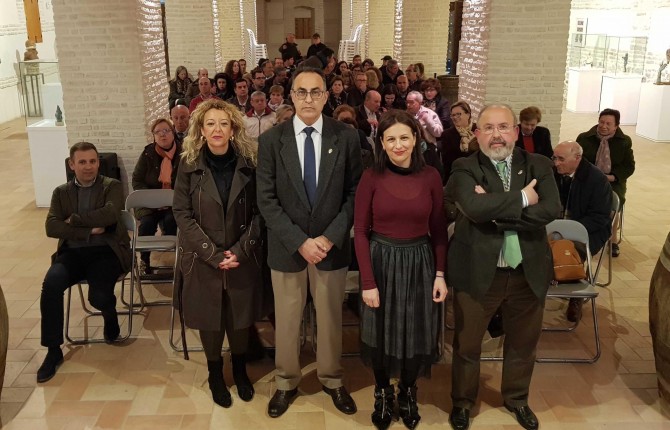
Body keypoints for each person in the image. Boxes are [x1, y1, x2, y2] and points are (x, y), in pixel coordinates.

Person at [445, 104, 561, 430]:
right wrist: (524, 198)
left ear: (515, 131)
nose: (497, 135)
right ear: (478, 133)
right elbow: (471, 206)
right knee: (467, 345)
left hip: (528, 272)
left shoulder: (538, 164)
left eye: (503, 127)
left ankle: (517, 399)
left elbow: (552, 208)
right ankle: (463, 403)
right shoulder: (464, 167)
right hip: (479, 272)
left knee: (524, 344)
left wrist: (492, 209)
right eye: (489, 128)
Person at [257, 67, 363, 418]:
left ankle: (332, 379)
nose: (308, 98)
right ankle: (286, 382)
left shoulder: (345, 136)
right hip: (288, 248)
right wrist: (300, 241)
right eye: (301, 92)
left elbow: (354, 194)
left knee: (331, 318)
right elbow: (267, 200)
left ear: (326, 96)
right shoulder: (272, 140)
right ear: (291, 96)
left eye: (315, 92)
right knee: (286, 320)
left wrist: (329, 238)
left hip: (330, 248)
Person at [354, 110, 447, 430]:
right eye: (391, 139)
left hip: (420, 262)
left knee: (416, 330)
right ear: (381, 142)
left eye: (404, 138)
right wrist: (368, 281)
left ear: (416, 139)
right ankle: (382, 391)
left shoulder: (432, 176)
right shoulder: (371, 177)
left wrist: (440, 274)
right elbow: (361, 231)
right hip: (380, 261)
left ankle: (408, 390)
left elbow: (438, 230)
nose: (398, 145)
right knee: (379, 331)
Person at [172, 98, 262, 408]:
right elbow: (181, 212)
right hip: (202, 257)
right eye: (210, 123)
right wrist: (213, 254)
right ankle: (214, 373)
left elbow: (260, 213)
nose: (217, 129)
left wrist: (239, 250)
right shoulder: (189, 163)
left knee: (238, 316)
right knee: (210, 317)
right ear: (201, 129)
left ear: (234, 127)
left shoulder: (249, 162)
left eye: (223, 123)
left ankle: (239, 369)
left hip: (241, 255)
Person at [38, 142, 131, 383]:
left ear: (98, 163)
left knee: (98, 298)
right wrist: (89, 231)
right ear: (72, 165)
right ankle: (53, 350)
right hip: (73, 253)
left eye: (92, 161)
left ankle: (110, 316)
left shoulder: (112, 186)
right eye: (82, 162)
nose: (88, 167)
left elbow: (111, 214)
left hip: (106, 252)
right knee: (51, 284)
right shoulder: (61, 192)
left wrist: (75, 220)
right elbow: (51, 227)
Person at [552, 141, 613, 322]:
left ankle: (575, 296)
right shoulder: (555, 174)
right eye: (554, 158)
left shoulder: (596, 180)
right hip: (559, 226)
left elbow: (600, 218)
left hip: (589, 231)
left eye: (561, 159)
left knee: (568, 253)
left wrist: (568, 231)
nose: (556, 163)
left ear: (577, 158)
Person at [576, 108, 635, 257]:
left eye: (608, 123)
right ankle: (582, 232)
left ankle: (611, 239)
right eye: (601, 122)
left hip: (613, 181)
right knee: (581, 200)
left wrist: (613, 177)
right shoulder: (584, 138)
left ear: (616, 126)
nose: (604, 126)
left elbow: (629, 166)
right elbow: (578, 160)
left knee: (611, 204)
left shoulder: (624, 141)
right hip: (588, 179)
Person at [131, 118, 181, 274]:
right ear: (153, 136)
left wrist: (170, 199)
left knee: (171, 221)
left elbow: (189, 181)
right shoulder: (148, 153)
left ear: (173, 133)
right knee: (146, 223)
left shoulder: (184, 153)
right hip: (149, 204)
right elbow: (137, 180)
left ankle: (178, 260)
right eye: (158, 132)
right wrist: (152, 199)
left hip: (174, 202)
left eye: (166, 131)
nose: (162, 135)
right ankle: (144, 261)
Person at [440, 100, 477, 182]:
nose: (455, 117)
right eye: (453, 115)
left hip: (477, 175)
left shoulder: (478, 131)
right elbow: (447, 162)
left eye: (458, 114)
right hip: (456, 175)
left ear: (468, 114)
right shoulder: (447, 135)